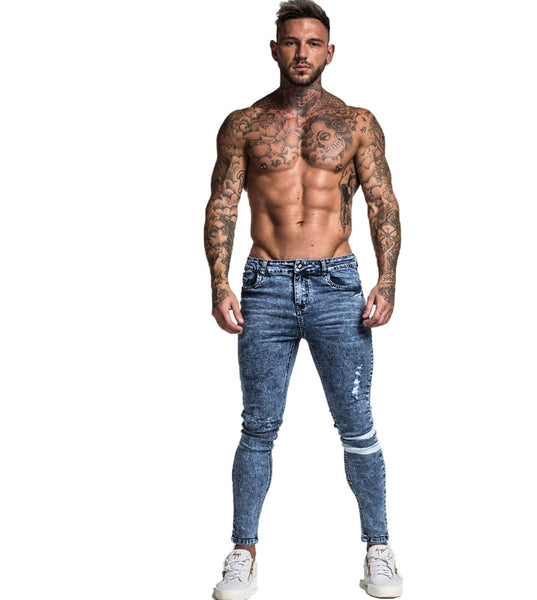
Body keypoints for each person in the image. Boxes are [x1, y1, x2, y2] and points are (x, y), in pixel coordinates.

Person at [204, 1, 402, 598]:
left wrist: (387, 278)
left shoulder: (358, 122)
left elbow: (382, 201)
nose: (301, 53)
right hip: (264, 285)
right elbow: (222, 203)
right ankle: (242, 552)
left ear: (329, 52)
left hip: (338, 285)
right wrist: (218, 281)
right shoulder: (243, 123)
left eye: (313, 43)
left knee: (357, 424)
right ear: (274, 49)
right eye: (291, 42)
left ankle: (378, 548)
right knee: (258, 427)